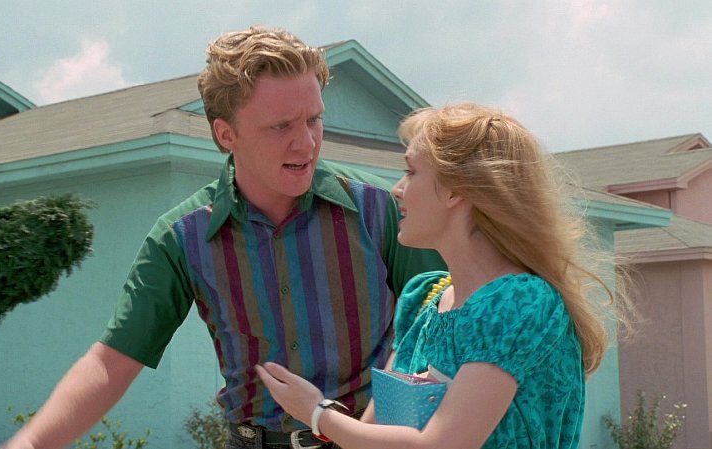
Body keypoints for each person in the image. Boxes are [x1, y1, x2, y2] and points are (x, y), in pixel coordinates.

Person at [0, 26, 444, 449]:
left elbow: (444, 333)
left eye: (314, 120)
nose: (306, 143)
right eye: (281, 126)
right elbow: (112, 361)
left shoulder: (384, 211)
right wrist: (33, 441)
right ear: (226, 133)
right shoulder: (181, 237)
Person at [257, 103, 630, 449]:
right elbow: (375, 433)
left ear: (455, 190)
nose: (397, 190)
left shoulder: (520, 302)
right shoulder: (424, 299)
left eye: (411, 172)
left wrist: (317, 412)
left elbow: (442, 444)